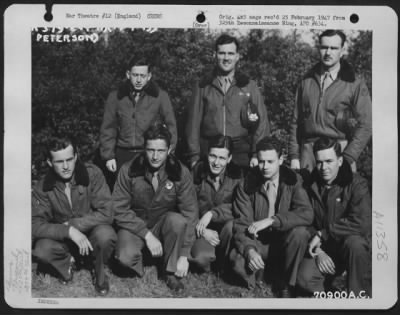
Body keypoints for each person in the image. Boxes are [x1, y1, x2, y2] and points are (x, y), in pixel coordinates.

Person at [112, 124, 199, 292]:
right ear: (144, 148)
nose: (155, 156)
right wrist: (147, 235)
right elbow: (118, 209)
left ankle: (169, 272)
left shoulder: (180, 172)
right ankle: (146, 259)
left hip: (163, 225)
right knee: (125, 257)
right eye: (150, 150)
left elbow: (190, 213)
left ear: (169, 150)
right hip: (135, 227)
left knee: (178, 221)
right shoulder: (128, 170)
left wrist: (184, 254)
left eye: (160, 151)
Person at [32, 137, 116, 296]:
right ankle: (67, 264)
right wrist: (68, 232)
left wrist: (73, 225)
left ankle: (98, 271)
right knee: (42, 250)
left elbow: (107, 212)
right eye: (59, 162)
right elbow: (34, 225)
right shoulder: (42, 187)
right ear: (50, 163)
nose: (65, 167)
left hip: (92, 233)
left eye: (69, 160)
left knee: (106, 235)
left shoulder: (93, 173)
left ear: (76, 157)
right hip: (64, 240)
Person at [230, 136, 313, 297]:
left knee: (300, 233)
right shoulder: (246, 184)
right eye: (261, 161)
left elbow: (306, 213)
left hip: (284, 242)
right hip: (259, 242)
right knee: (237, 262)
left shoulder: (293, 181)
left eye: (270, 161)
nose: (265, 167)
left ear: (281, 160)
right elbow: (241, 223)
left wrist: (272, 220)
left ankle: (287, 284)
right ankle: (263, 273)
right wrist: (250, 250)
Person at [296, 137, 371, 297]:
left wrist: (324, 234)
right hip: (324, 248)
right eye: (319, 162)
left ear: (340, 160)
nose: (324, 167)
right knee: (304, 279)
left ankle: (358, 297)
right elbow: (305, 220)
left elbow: (361, 223)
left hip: (347, 247)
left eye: (329, 161)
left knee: (355, 244)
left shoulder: (357, 184)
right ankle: (333, 293)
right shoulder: (309, 185)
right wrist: (318, 250)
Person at [289, 29, 372, 173]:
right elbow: (296, 121)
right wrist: (294, 156)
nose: (328, 53)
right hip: (309, 153)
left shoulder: (354, 83)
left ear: (343, 50)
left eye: (333, 48)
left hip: (339, 152)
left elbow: (366, 125)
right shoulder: (306, 81)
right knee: (305, 194)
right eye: (324, 47)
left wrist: (348, 157)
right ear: (318, 48)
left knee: (340, 194)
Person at [185, 33, 270, 169]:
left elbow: (262, 124)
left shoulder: (249, 85)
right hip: (210, 151)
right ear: (215, 55)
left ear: (237, 56)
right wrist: (194, 155)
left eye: (230, 53)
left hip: (241, 152)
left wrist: (256, 153)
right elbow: (193, 124)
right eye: (222, 53)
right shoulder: (202, 86)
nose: (226, 58)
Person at [99, 55, 177, 186]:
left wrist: (168, 150)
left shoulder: (160, 96)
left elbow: (171, 125)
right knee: (123, 190)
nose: (139, 80)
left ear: (149, 76)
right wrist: (109, 156)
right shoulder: (116, 97)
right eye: (135, 75)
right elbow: (108, 128)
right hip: (123, 153)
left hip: (149, 153)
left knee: (147, 190)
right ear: (128, 74)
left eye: (143, 75)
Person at [190, 135, 244, 273]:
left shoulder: (237, 177)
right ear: (207, 154)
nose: (216, 163)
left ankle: (223, 264)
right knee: (202, 258)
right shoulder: (197, 173)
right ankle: (209, 259)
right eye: (213, 156)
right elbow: (186, 205)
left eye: (222, 158)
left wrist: (212, 214)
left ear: (230, 159)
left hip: (226, 231)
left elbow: (239, 205)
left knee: (231, 227)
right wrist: (202, 230)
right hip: (202, 229)